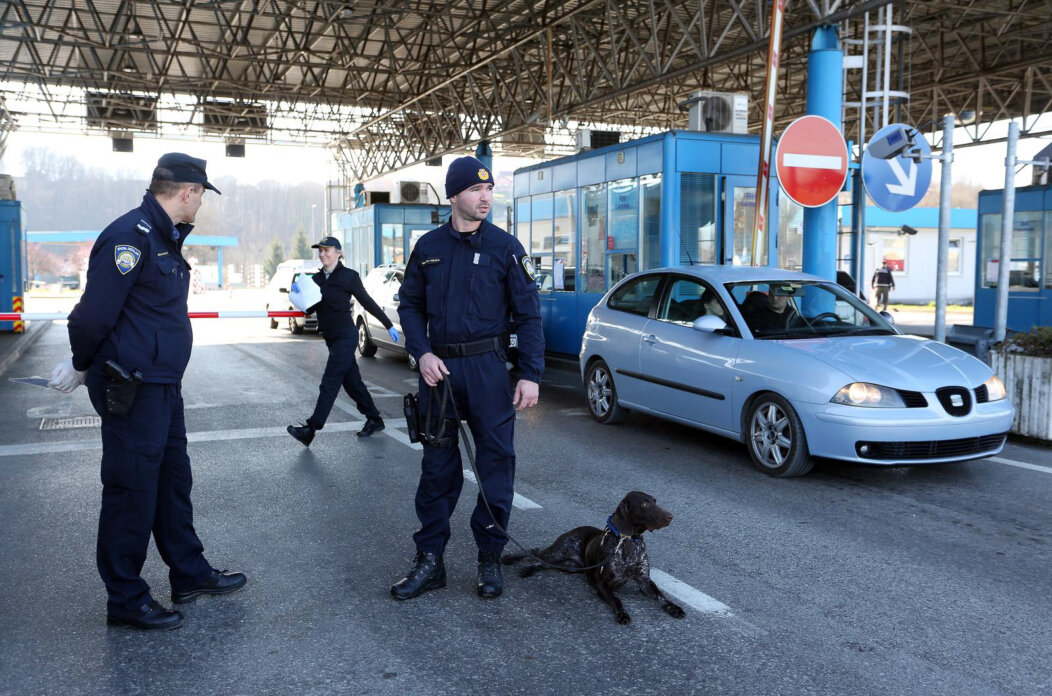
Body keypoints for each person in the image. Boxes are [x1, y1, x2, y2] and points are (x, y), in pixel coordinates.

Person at [48, 153, 246, 631]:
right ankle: (125, 597)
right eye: (201, 195)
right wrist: (80, 363)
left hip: (161, 388)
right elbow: (92, 316)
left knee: (172, 484)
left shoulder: (163, 238)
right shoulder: (130, 237)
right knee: (131, 490)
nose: (200, 204)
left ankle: (189, 573)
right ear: (188, 192)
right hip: (131, 389)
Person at [390, 156, 544, 601]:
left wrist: (530, 374)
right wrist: (421, 352)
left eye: (490, 190)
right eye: (476, 191)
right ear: (454, 195)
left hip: (488, 371)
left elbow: (529, 315)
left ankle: (489, 558)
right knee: (437, 471)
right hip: (439, 374)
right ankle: (430, 562)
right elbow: (410, 306)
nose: (485, 197)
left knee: (496, 466)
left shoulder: (507, 248)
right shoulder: (428, 247)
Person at [286, 236, 398, 446]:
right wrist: (299, 297)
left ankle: (311, 428)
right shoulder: (316, 280)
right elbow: (310, 308)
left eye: (327, 250)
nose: (322, 254)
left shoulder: (349, 277)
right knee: (352, 383)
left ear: (339, 253)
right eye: (320, 250)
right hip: (331, 337)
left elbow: (367, 302)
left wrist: (388, 324)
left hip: (346, 337)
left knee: (329, 382)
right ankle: (374, 419)